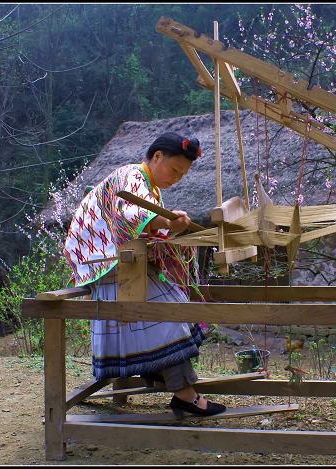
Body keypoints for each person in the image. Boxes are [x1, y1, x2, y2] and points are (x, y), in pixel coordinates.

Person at [63, 131, 226, 417]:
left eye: (182, 174)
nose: (176, 178)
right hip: (106, 263)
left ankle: (170, 380)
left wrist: (167, 223)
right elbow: (129, 216)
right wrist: (167, 219)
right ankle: (184, 395)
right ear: (158, 156)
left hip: (121, 261)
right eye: (175, 170)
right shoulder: (131, 175)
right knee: (170, 315)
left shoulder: (150, 189)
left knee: (173, 311)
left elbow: (146, 227)